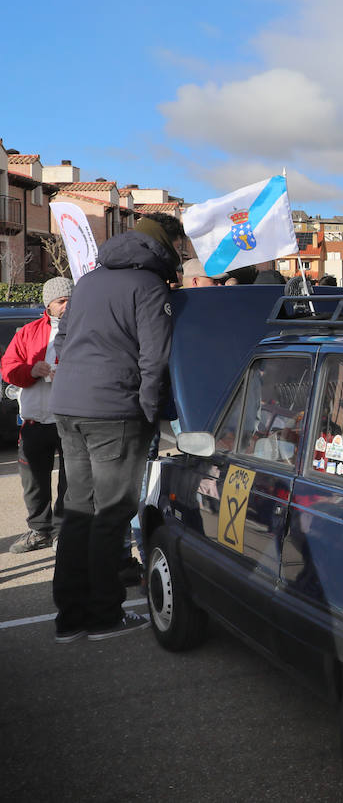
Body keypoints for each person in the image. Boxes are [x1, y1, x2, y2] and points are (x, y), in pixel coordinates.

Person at [48, 212, 183, 641]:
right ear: (163, 246)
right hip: (114, 412)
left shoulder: (88, 281)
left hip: (68, 407)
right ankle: (105, 614)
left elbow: (62, 339)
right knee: (110, 514)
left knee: (78, 512)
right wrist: (149, 411)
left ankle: (70, 618)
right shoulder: (148, 286)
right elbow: (155, 357)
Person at [2, 277, 72, 553]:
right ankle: (39, 529)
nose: (67, 306)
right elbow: (8, 367)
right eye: (61, 301)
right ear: (49, 305)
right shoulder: (28, 331)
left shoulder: (84, 328)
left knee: (71, 480)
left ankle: (63, 531)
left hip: (70, 417)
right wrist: (31, 371)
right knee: (33, 481)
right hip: (34, 418)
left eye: (71, 299)